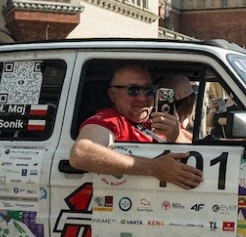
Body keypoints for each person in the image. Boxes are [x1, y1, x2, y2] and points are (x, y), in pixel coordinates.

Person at [69, 64, 203, 189]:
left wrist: (176, 135)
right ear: (112, 94)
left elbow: (201, 147)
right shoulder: (111, 120)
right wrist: (153, 167)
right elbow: (81, 153)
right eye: (133, 90)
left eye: (148, 90)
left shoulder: (155, 118)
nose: (142, 98)